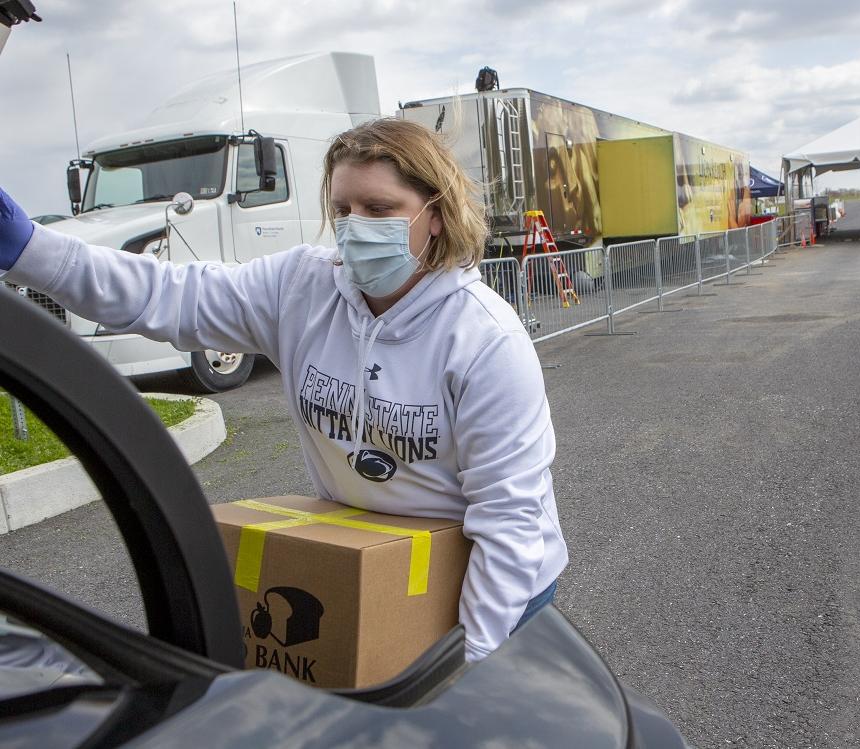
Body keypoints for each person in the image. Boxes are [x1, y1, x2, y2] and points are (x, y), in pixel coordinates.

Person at [0, 118, 569, 664]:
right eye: (342, 209)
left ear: (436, 214)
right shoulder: (302, 286)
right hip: (378, 566)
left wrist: (467, 660)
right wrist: (29, 250)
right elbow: (166, 295)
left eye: (379, 209)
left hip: (495, 591)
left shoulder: (483, 338)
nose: (354, 226)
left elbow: (509, 517)